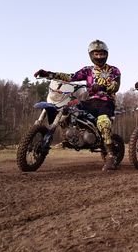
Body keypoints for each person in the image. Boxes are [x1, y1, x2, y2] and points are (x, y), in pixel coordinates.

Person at [34, 40, 121, 172]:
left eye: (101, 54)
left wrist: (103, 86)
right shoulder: (87, 70)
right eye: (96, 54)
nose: (99, 56)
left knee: (103, 121)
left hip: (106, 102)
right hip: (90, 101)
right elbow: (70, 77)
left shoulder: (114, 70)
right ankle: (72, 135)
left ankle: (110, 156)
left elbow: (116, 85)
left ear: (106, 54)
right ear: (91, 55)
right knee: (68, 108)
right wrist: (49, 74)